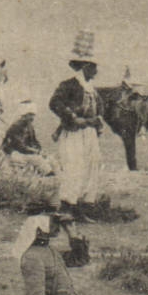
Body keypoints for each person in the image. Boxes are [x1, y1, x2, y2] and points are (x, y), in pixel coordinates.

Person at [49, 30, 104, 220]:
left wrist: (97, 121)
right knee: (74, 167)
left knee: (92, 166)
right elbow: (55, 103)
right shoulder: (69, 85)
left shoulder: (92, 89)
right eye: (94, 67)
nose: (96, 71)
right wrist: (72, 117)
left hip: (89, 133)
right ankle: (66, 207)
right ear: (85, 67)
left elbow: (99, 108)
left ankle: (83, 207)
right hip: (74, 132)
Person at [2, 100, 54, 175]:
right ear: (24, 115)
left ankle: (51, 173)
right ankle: (48, 174)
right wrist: (35, 151)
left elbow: (34, 141)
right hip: (14, 153)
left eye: (33, 115)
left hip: (25, 152)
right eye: (30, 115)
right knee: (38, 160)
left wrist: (40, 150)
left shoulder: (29, 126)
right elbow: (19, 146)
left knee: (49, 158)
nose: (32, 117)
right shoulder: (16, 126)